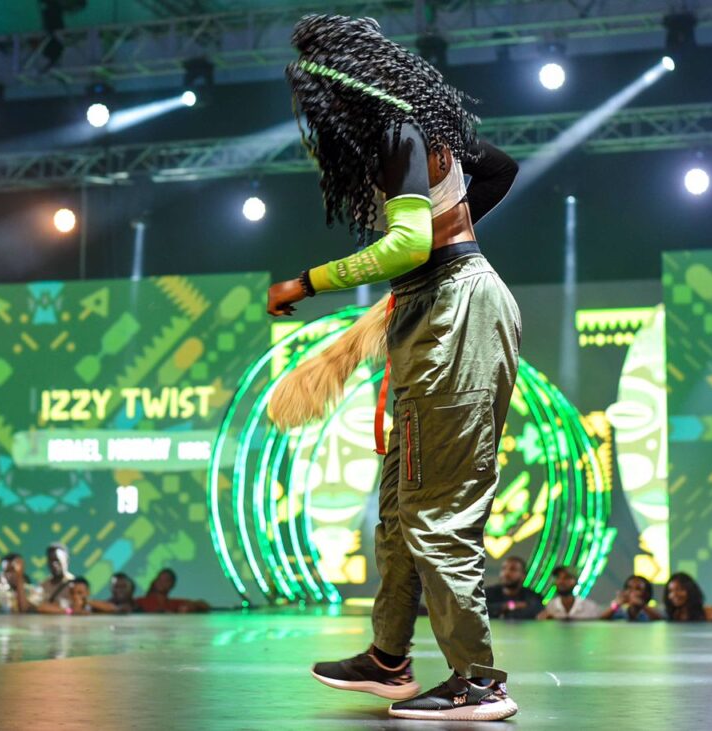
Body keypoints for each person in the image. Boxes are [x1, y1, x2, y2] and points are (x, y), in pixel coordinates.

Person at [271, 15, 521, 722]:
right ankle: (388, 657)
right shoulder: (426, 125)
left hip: (451, 313)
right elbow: (499, 171)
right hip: (436, 307)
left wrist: (306, 283)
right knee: (401, 506)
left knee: (436, 513)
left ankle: (478, 682)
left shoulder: (397, 132)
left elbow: (407, 244)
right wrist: (450, 235)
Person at [537, 566, 602, 620]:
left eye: (566, 578)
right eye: (558, 578)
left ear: (576, 581)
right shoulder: (549, 607)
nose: (561, 581)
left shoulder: (590, 608)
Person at [135, 569, 209, 613]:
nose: (161, 582)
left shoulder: (174, 603)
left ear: (172, 585)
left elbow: (204, 605)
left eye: (166, 580)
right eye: (159, 579)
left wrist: (192, 606)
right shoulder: (141, 601)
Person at [40, 543, 75, 609]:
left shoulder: (75, 585)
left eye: (57, 560)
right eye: (51, 560)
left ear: (67, 560)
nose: (54, 564)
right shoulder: (43, 585)